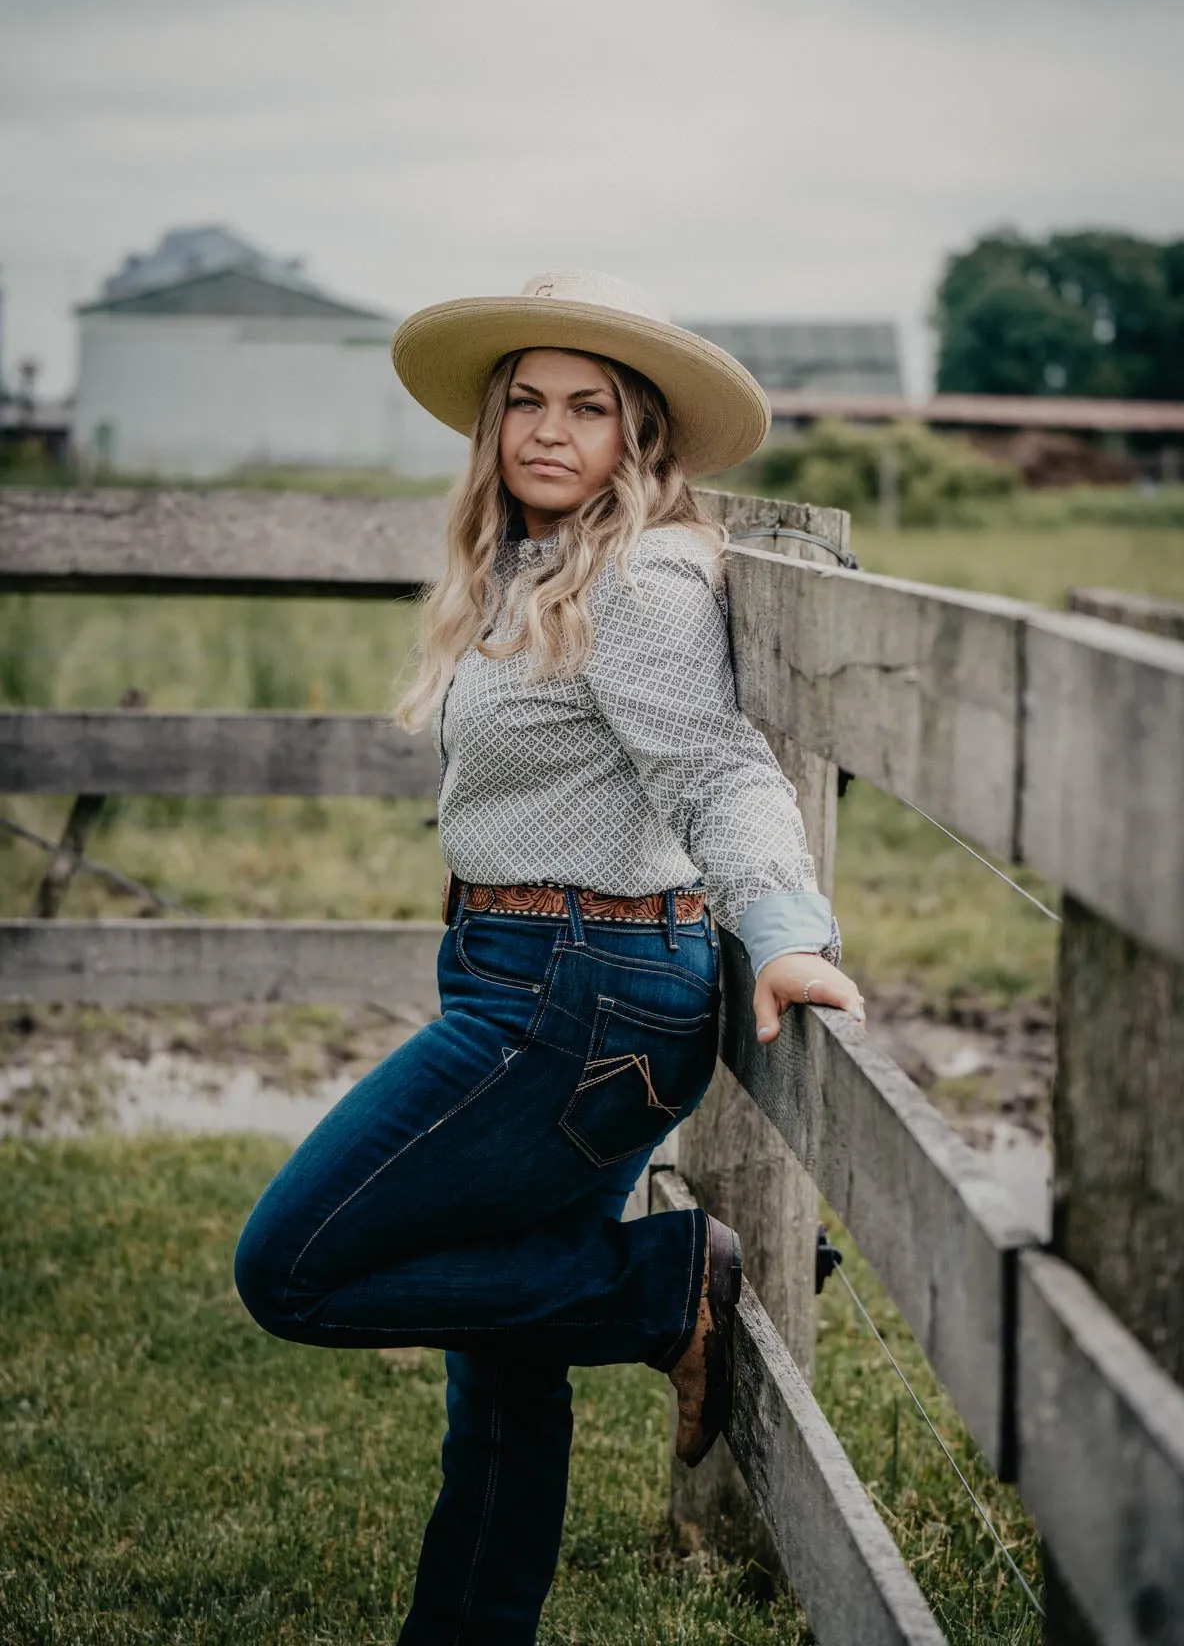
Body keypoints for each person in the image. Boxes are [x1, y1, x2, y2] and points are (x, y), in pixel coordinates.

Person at [233, 270, 865, 1644]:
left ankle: (659, 1287)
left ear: (640, 439)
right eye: (525, 401)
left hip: (575, 994)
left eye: (588, 408)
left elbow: (713, 769)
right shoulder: (533, 564)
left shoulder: (639, 575)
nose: (546, 429)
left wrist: (790, 932)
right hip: (535, 976)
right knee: (505, 1370)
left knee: (291, 1267)